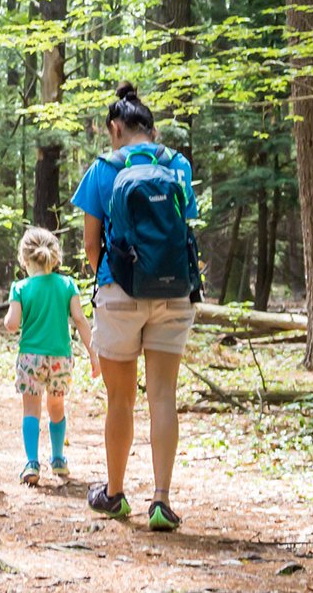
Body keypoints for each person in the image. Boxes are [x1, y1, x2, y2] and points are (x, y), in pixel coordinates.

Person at [72, 82, 199, 531]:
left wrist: (113, 279)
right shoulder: (177, 165)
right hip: (174, 292)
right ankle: (162, 501)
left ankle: (115, 493)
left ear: (115, 127)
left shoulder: (103, 169)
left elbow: (91, 245)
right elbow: (184, 228)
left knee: (120, 399)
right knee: (163, 395)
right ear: (152, 128)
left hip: (119, 293)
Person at [2, 227, 96, 486]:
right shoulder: (67, 285)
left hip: (31, 357)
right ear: (55, 257)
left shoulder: (20, 288)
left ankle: (32, 463)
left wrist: (8, 320)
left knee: (31, 409)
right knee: (57, 407)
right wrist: (93, 354)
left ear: (24, 258)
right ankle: (57, 457)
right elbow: (80, 319)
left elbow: (12, 323)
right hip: (60, 358)